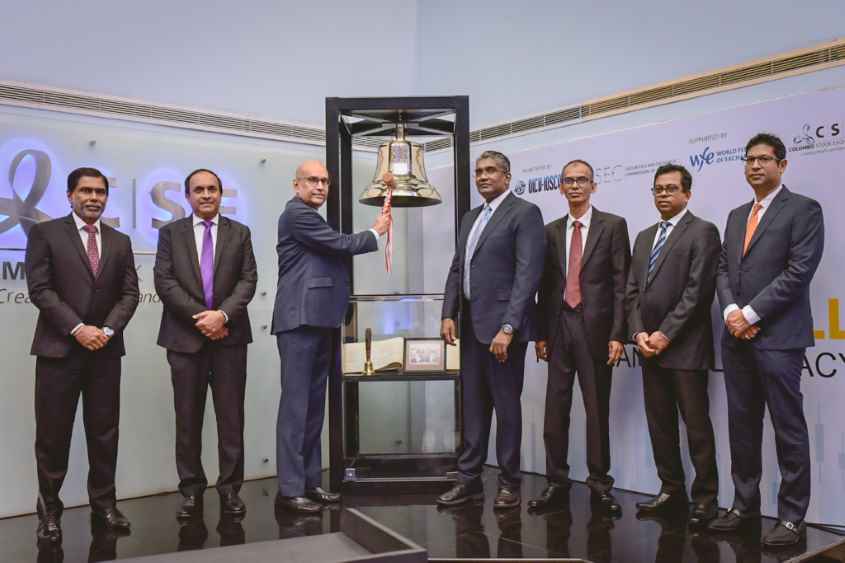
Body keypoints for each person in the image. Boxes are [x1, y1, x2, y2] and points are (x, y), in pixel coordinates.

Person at [709, 133, 824, 548]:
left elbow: (799, 271)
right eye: (749, 159)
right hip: (736, 337)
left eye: (764, 159)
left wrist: (751, 314)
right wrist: (730, 313)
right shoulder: (737, 214)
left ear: (782, 165)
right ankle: (744, 506)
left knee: (787, 427)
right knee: (742, 426)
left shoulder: (804, 210)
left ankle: (793, 517)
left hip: (778, 337)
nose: (755, 166)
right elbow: (723, 269)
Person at [25, 167, 140, 543]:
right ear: (70, 195)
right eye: (86, 191)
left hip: (105, 352)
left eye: (100, 192)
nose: (94, 198)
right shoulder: (46, 233)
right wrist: (78, 328)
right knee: (52, 436)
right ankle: (49, 512)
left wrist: (105, 330)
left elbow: (129, 294)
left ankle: (104, 504)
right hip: (60, 350)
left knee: (105, 433)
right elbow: (41, 289)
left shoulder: (120, 240)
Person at [272, 160, 391, 512]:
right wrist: (376, 232)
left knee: (312, 410)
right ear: (296, 185)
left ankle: (309, 483)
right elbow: (340, 244)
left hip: (321, 321)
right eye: (312, 180)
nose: (321, 186)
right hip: (299, 322)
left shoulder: (310, 215)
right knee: (296, 410)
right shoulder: (296, 214)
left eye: (325, 180)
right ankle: (291, 489)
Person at [438, 150, 545, 509]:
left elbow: (527, 275)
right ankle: (468, 479)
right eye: (478, 172)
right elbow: (458, 267)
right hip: (470, 328)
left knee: (506, 408)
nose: (483, 177)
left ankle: (509, 483)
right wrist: (448, 311)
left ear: (507, 176)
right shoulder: (470, 217)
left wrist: (510, 326)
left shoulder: (525, 213)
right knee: (473, 408)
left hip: (502, 333)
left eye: (490, 171)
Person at [154, 168, 257, 519]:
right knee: (187, 419)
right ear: (187, 196)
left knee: (231, 419)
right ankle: (191, 491)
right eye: (198, 190)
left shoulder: (240, 233)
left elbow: (248, 280)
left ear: (221, 194)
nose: (206, 195)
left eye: (212, 189)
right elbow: (164, 282)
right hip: (185, 340)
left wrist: (222, 316)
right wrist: (204, 317)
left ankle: (230, 490)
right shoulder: (170, 234)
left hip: (230, 339)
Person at [529, 159, 630, 515]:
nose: (575, 186)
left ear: (593, 186)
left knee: (596, 410)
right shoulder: (550, 230)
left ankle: (600, 485)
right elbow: (541, 287)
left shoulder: (613, 226)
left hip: (597, 332)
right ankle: (556, 482)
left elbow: (622, 286)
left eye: (582, 180)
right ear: (560, 187)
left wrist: (619, 334)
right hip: (558, 330)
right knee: (555, 411)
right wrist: (540, 333)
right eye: (569, 181)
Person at [625, 164, 720, 528]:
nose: (663, 194)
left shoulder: (703, 232)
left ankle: (705, 499)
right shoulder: (645, 236)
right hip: (648, 348)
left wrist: (664, 334)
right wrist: (638, 335)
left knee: (696, 427)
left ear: (687, 194)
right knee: (659, 424)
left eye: (670, 189)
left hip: (685, 348)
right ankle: (671, 490)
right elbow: (631, 292)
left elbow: (698, 292)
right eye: (657, 189)